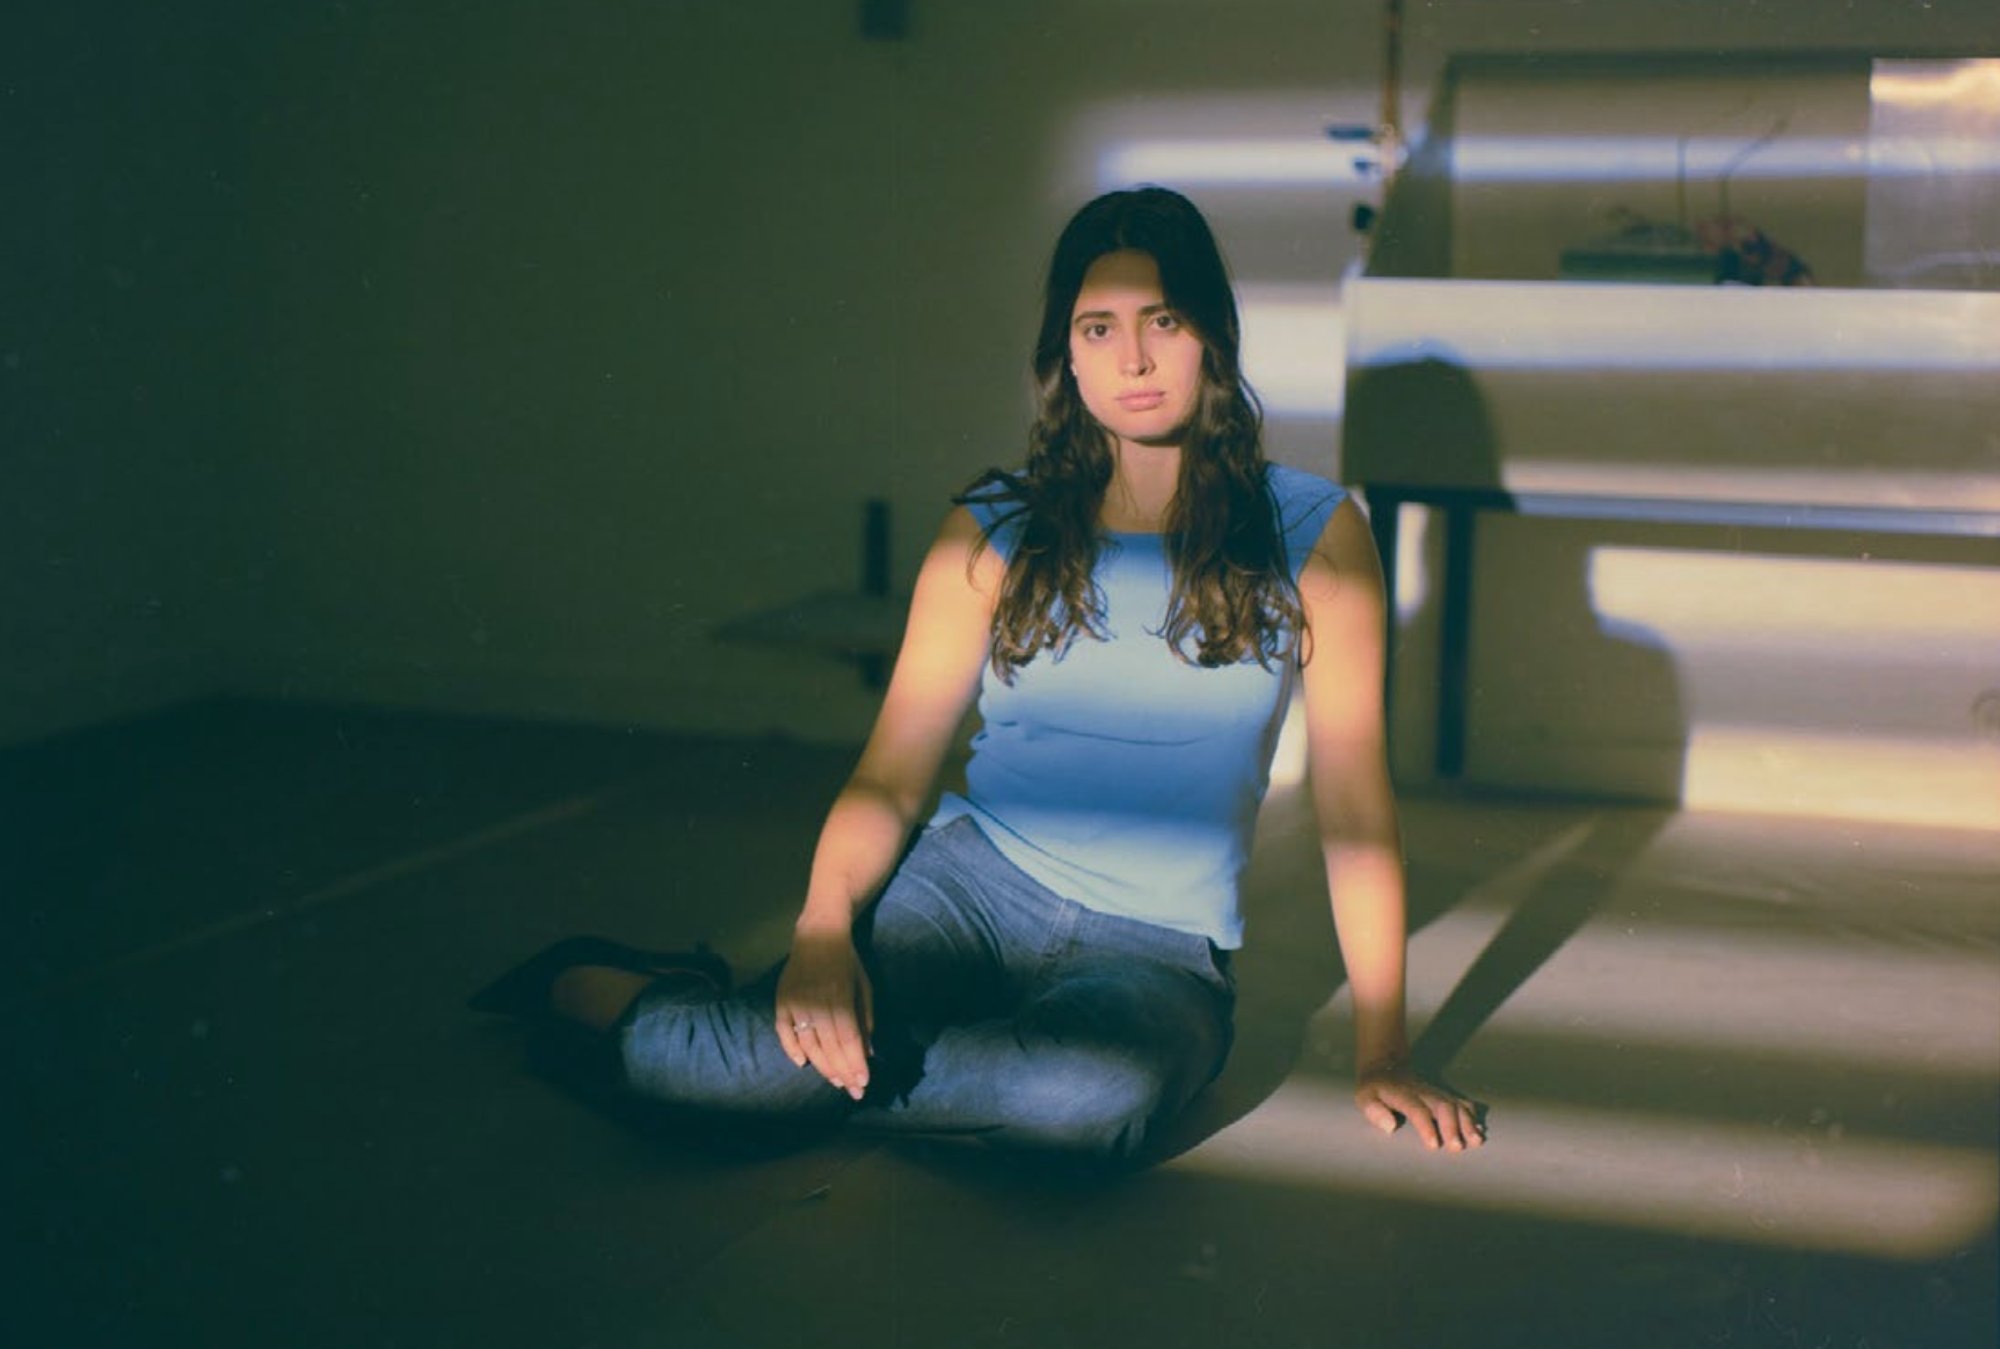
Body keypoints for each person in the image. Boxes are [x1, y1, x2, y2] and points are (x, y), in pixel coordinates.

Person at [472, 186, 1485, 1166]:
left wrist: (1383, 1053)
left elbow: (1355, 808)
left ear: (1212, 336)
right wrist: (823, 932)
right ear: (1065, 355)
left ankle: (792, 1070)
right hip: (964, 893)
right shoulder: (995, 527)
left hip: (1156, 950)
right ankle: (601, 985)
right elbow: (889, 774)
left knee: (1092, 1097)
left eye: (1162, 321)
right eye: (1097, 328)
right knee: (709, 1069)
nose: (1132, 359)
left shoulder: (1312, 533)